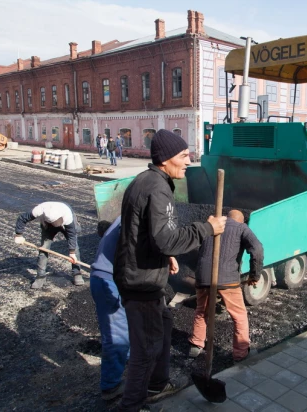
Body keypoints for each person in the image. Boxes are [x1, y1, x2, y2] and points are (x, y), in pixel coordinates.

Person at [114, 129, 226, 412]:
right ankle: (133, 405)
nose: (189, 161)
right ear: (165, 159)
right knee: (146, 349)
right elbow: (164, 238)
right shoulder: (158, 188)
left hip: (143, 273)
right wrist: (207, 227)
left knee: (163, 321)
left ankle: (155, 385)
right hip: (141, 283)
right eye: (183, 156)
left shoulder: (145, 180)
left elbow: (145, 235)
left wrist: (166, 257)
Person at [189, 209, 263, 362]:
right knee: (239, 315)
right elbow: (257, 250)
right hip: (227, 278)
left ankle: (196, 344)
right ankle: (241, 353)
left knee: (201, 310)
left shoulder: (211, 224)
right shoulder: (241, 227)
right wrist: (254, 275)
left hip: (202, 276)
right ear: (240, 221)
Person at [90, 217, 129, 401]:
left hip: (108, 277)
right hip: (109, 280)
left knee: (125, 327)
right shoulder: (132, 220)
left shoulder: (128, 213)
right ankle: (111, 386)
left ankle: (127, 360)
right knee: (117, 336)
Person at [14, 201, 83, 289]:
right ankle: (40, 276)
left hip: (67, 225)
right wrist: (18, 235)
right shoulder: (39, 210)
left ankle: (77, 273)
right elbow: (22, 218)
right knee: (44, 249)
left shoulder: (67, 215)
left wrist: (72, 252)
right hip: (47, 226)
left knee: (75, 247)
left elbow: (71, 235)